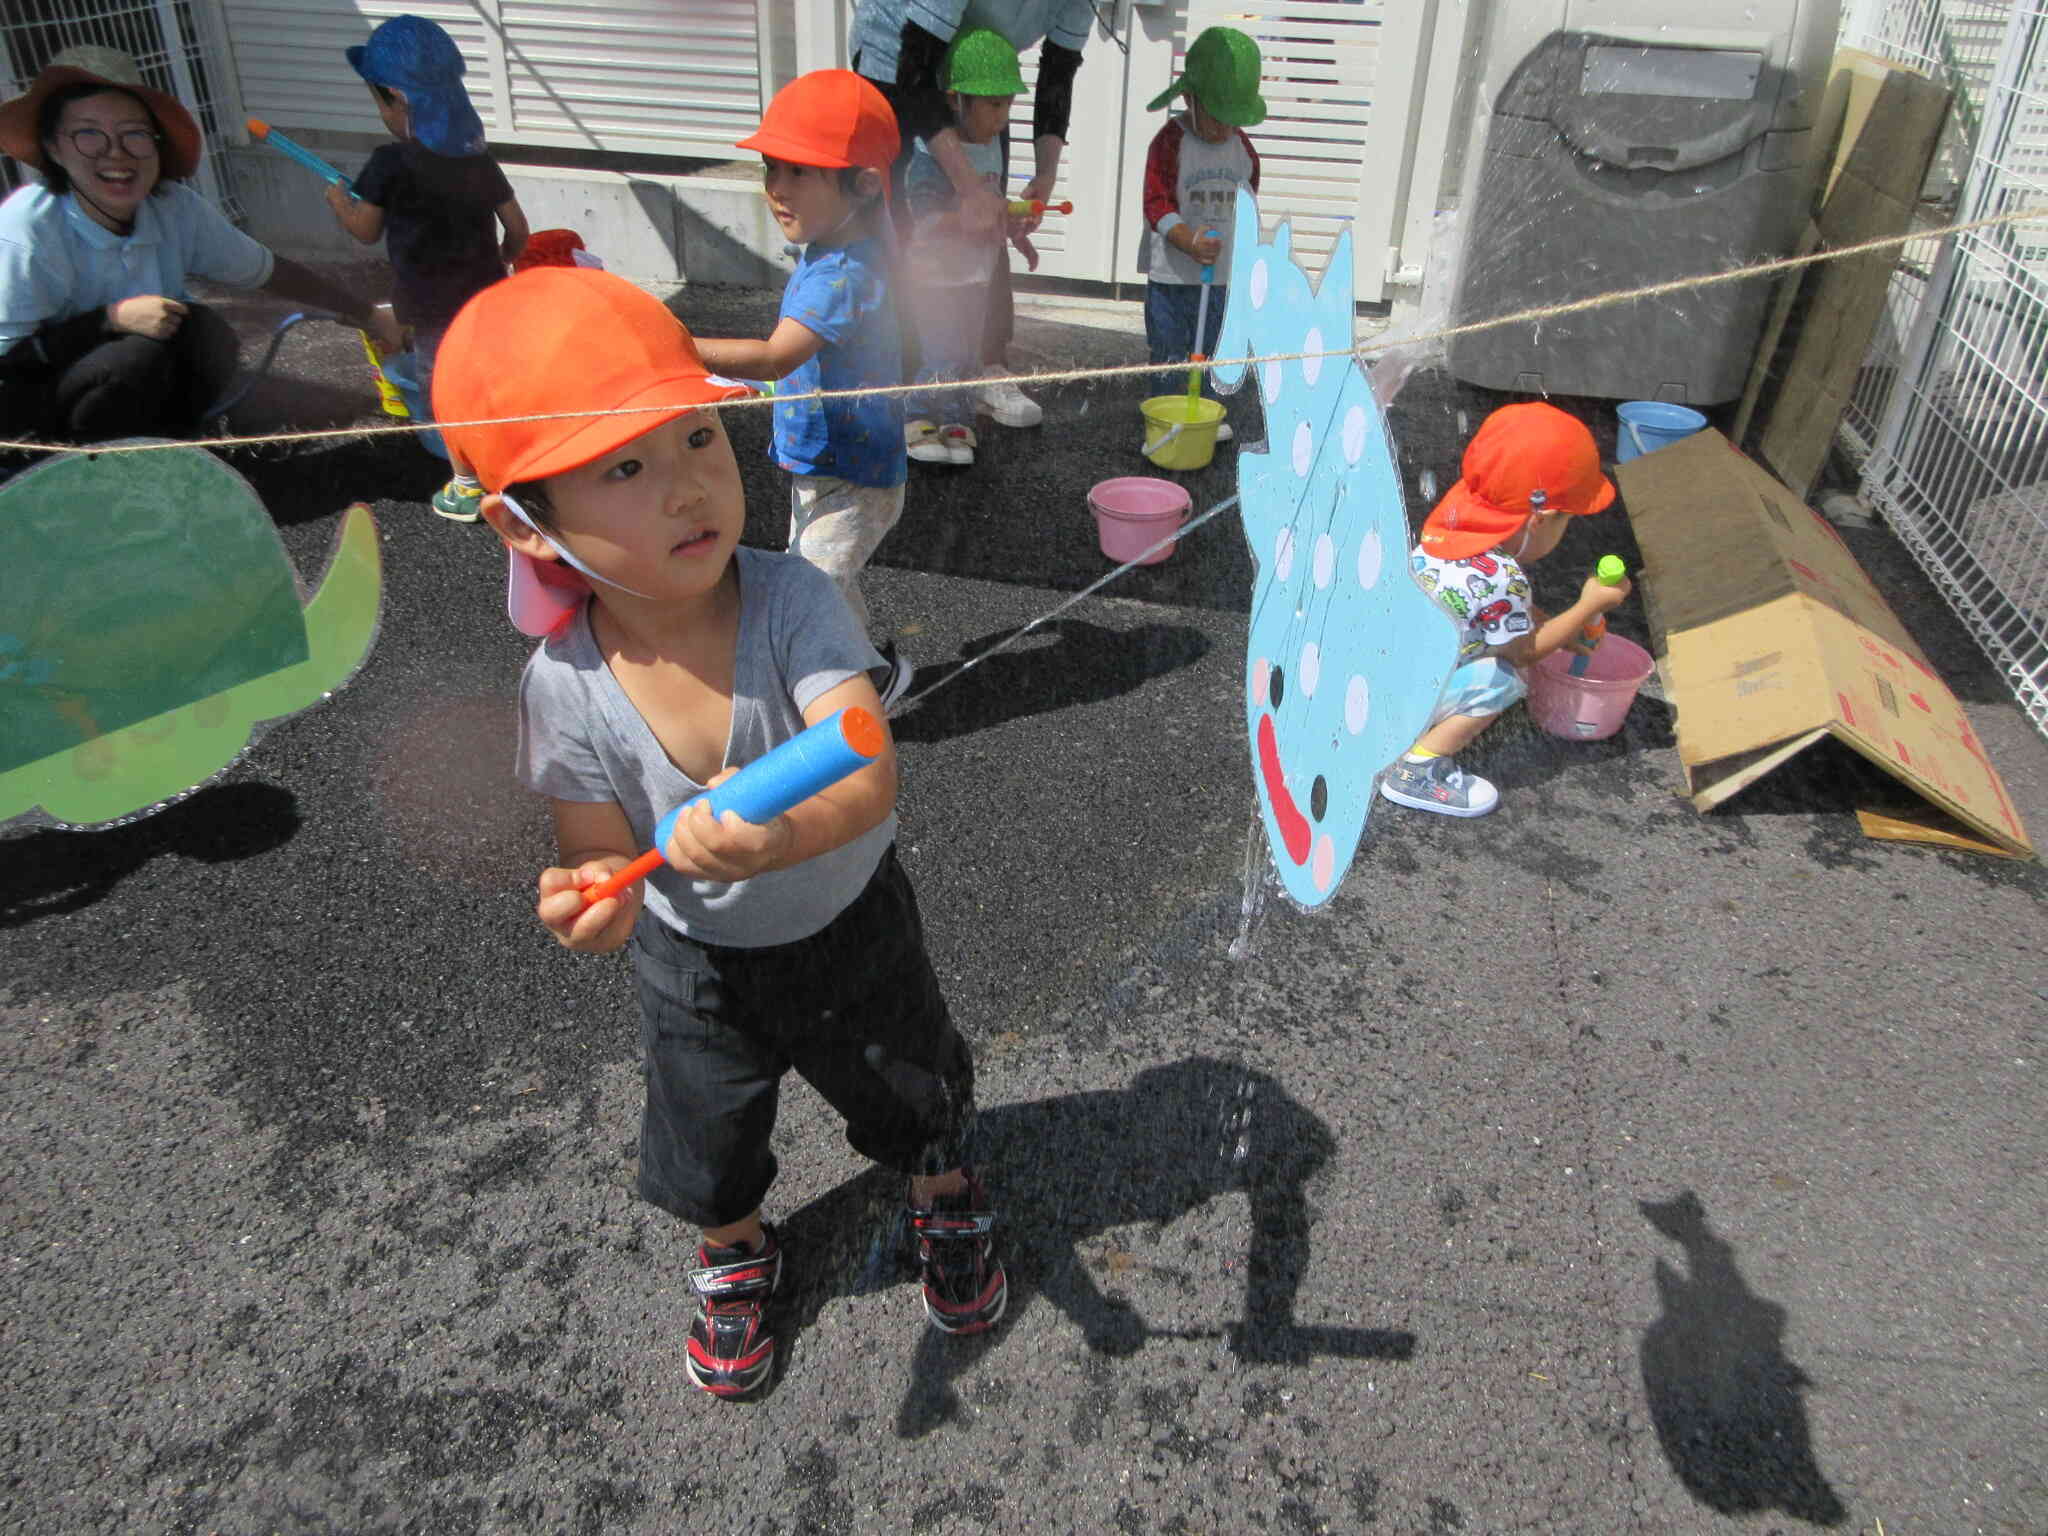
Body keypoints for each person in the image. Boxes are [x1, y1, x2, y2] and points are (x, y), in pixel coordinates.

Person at [433, 266, 1007, 1400]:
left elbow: (864, 770)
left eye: (699, 438)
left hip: (849, 922)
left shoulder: (794, 599)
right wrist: (589, 902)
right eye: (626, 468)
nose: (691, 488)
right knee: (704, 1136)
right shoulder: (562, 683)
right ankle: (735, 1246)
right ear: (520, 522)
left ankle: (942, 1193)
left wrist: (772, 842)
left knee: (908, 1084)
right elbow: (592, 846)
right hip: (694, 960)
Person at [0, 46, 393, 445]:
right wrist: (109, 319)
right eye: (88, 134)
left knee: (206, 334)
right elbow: (8, 369)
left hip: (120, 372)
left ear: (156, 144)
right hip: (31, 403)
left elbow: (268, 271)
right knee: (136, 359)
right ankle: (79, 474)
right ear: (53, 147)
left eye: (134, 134)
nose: (115, 152)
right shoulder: (27, 230)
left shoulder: (173, 208)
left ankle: (173, 449)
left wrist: (368, 314)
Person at [694, 70, 913, 706]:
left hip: (856, 475)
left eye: (799, 173)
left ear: (863, 185)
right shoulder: (829, 251)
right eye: (772, 168)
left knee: (811, 583)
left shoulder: (845, 273)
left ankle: (860, 686)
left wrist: (672, 344)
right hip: (824, 461)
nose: (775, 190)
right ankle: (870, 668)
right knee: (822, 579)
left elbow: (773, 354)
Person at [850, 0, 1097, 431]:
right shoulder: (914, 66)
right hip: (900, 63)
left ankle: (982, 368)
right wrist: (964, 188)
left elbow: (1058, 72)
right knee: (901, 224)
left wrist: (1044, 173)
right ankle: (908, 393)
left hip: (977, 71)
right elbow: (918, 64)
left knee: (985, 204)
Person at [1379, 402, 1632, 819]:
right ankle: (1416, 768)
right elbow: (1525, 651)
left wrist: (1558, 627)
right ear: (1541, 519)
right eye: (1566, 521)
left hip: (1380, 672)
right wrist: (1590, 605)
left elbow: (1498, 616)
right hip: (1407, 696)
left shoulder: (1449, 528)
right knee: (1503, 680)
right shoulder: (1503, 578)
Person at [324, 14, 528, 522]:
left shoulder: (389, 163)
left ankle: (465, 483)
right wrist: (504, 256)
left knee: (447, 391)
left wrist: (338, 202)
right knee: (492, 382)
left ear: (396, 97)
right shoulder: (477, 159)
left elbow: (365, 231)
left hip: (431, 308)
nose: (380, 112)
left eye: (378, 100)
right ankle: (514, 464)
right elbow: (516, 226)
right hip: (487, 299)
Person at [901, 27, 1022, 468]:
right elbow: (920, 218)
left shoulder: (990, 147)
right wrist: (959, 220)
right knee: (940, 352)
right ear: (955, 99)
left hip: (976, 277)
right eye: (993, 105)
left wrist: (1014, 227)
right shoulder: (930, 154)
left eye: (1008, 103)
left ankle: (954, 420)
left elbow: (993, 206)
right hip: (934, 279)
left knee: (967, 353)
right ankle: (916, 417)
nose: (1002, 117)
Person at [1140, 26, 1264, 443]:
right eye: (1216, 114)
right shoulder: (1171, 143)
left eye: (1234, 116)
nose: (1224, 126)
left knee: (1213, 347)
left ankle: (1204, 413)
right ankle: (1167, 416)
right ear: (1189, 99)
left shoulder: (1241, 151)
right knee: (1171, 353)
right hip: (1173, 277)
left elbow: (1246, 204)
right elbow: (1156, 202)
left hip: (1221, 277)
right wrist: (1187, 241)